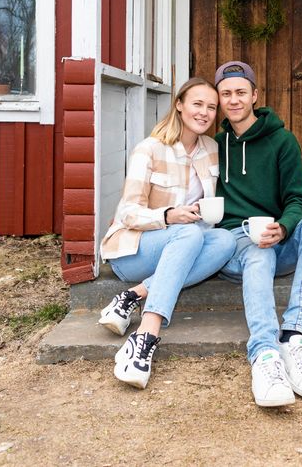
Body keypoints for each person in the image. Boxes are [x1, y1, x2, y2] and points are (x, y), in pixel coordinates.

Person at [97, 77, 236, 389]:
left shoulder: (212, 149)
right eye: (197, 104)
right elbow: (127, 212)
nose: (204, 112)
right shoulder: (149, 149)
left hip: (186, 245)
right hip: (134, 251)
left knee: (225, 240)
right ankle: (146, 334)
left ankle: (134, 295)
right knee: (188, 234)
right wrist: (168, 215)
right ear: (179, 105)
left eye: (211, 107)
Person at [213, 61, 302, 408]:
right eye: (226, 94)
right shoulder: (214, 146)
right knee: (257, 250)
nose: (233, 100)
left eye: (240, 92)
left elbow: (298, 199)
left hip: (276, 242)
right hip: (235, 250)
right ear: (220, 99)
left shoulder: (282, 141)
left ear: (254, 95)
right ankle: (265, 355)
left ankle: (293, 337)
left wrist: (282, 228)